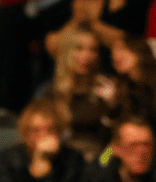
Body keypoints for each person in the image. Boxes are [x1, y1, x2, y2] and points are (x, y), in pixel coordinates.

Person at [42, 23, 113, 161]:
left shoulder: (105, 87)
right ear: (66, 52)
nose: (87, 55)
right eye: (79, 48)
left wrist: (102, 162)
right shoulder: (51, 91)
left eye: (93, 50)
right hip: (62, 160)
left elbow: (116, 143)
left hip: (100, 160)